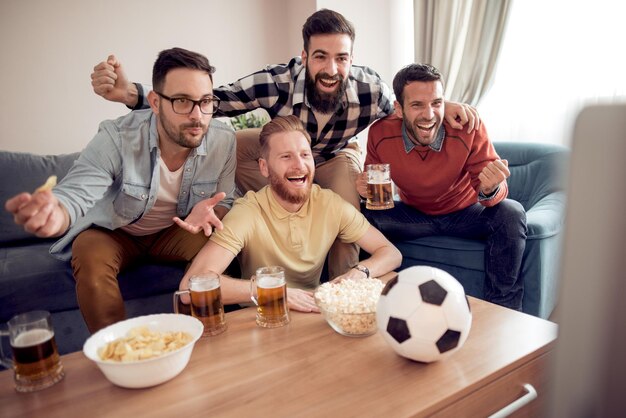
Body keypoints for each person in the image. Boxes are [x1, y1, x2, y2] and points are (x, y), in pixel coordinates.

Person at [89, 9, 477, 281]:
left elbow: (405, 112)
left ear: (352, 59)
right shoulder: (276, 81)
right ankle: (216, 222)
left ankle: (342, 290)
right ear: (304, 56)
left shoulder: (370, 88)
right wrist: (133, 93)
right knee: (222, 137)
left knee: (344, 203)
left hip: (335, 157)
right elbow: (214, 100)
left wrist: (445, 106)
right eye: (320, 56)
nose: (331, 69)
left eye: (341, 58)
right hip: (284, 153)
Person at [4, 47, 237, 332]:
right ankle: (117, 349)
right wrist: (57, 212)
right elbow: (76, 191)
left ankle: (204, 337)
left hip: (177, 230)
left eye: (205, 102)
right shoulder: (117, 138)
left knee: (222, 239)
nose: (197, 115)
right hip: (117, 233)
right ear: (154, 102)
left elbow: (228, 197)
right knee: (87, 250)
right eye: (182, 101)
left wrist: (213, 210)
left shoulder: (223, 140)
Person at [180, 115, 402, 312]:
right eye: (286, 157)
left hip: (313, 312)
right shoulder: (247, 212)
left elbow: (391, 253)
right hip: (262, 315)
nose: (299, 165)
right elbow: (190, 287)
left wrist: (359, 272)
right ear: (264, 167)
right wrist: (274, 291)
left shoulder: (330, 204)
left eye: (305, 155)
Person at [357, 63, 527, 310]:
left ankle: (503, 310)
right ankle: (368, 298)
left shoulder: (468, 126)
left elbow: (494, 196)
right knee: (359, 217)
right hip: (413, 215)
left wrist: (491, 188)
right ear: (399, 109)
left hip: (465, 214)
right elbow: (376, 185)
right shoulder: (380, 133)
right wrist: (363, 190)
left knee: (511, 213)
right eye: (417, 105)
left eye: (436, 103)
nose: (429, 114)